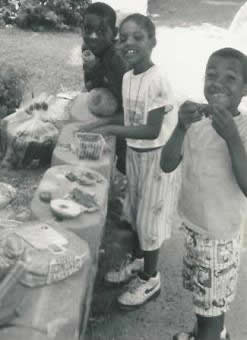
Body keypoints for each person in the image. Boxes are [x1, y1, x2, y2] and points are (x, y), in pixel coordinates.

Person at [160, 47, 247, 340]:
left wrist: (233, 138)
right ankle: (208, 332)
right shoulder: (195, 120)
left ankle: (209, 334)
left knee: (210, 306)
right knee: (206, 300)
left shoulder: (244, 129)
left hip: (219, 241)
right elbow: (167, 162)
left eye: (230, 78)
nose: (218, 83)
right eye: (211, 75)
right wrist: (181, 128)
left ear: (245, 89)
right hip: (195, 229)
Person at [93, 13, 177, 310]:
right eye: (124, 37)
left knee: (150, 221)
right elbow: (131, 119)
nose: (129, 43)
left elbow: (152, 129)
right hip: (136, 157)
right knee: (137, 213)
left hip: (156, 160)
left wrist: (114, 130)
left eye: (138, 37)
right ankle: (141, 261)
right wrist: (103, 127)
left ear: (152, 42)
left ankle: (150, 278)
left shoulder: (158, 80)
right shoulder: (129, 78)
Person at [81, 1, 128, 173]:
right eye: (88, 29)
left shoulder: (117, 59)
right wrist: (93, 70)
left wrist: (104, 124)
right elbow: (90, 86)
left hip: (130, 123)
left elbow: (132, 111)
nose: (93, 36)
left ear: (114, 33)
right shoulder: (88, 48)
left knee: (125, 165)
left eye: (101, 31)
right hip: (112, 111)